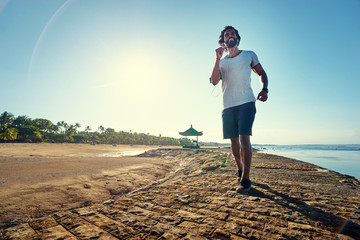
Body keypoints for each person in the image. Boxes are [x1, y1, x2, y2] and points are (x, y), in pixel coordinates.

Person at [210, 26, 268, 193]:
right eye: (227, 35)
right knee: (233, 141)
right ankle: (240, 169)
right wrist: (217, 59)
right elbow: (214, 81)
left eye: (232, 34)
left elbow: (261, 73)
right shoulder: (222, 62)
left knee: (244, 138)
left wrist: (265, 89)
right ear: (223, 41)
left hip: (246, 102)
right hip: (227, 105)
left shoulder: (249, 55)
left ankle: (246, 179)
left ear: (237, 38)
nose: (230, 36)